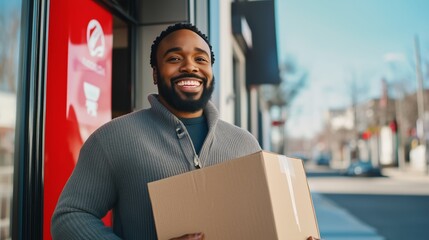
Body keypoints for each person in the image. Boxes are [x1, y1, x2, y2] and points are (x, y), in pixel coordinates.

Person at [51, 22, 261, 239]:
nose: (190, 67)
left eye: (200, 59)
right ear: (155, 73)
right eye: (174, 59)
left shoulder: (245, 144)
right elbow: (70, 217)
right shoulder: (112, 138)